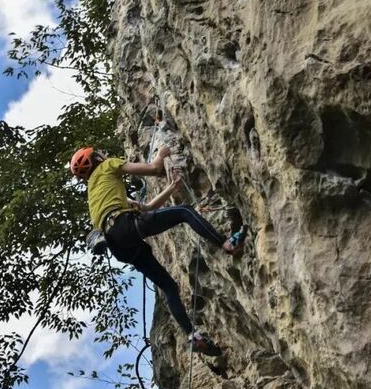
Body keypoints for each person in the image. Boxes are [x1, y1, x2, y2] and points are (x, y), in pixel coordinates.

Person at [70, 146, 246, 356]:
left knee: (168, 286)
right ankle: (228, 244)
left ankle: (193, 336)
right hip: (125, 224)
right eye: (101, 153)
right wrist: (161, 155)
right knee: (184, 211)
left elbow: (147, 208)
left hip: (118, 244)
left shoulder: (96, 195)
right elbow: (154, 169)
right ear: (98, 157)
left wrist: (171, 188)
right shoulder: (109, 165)